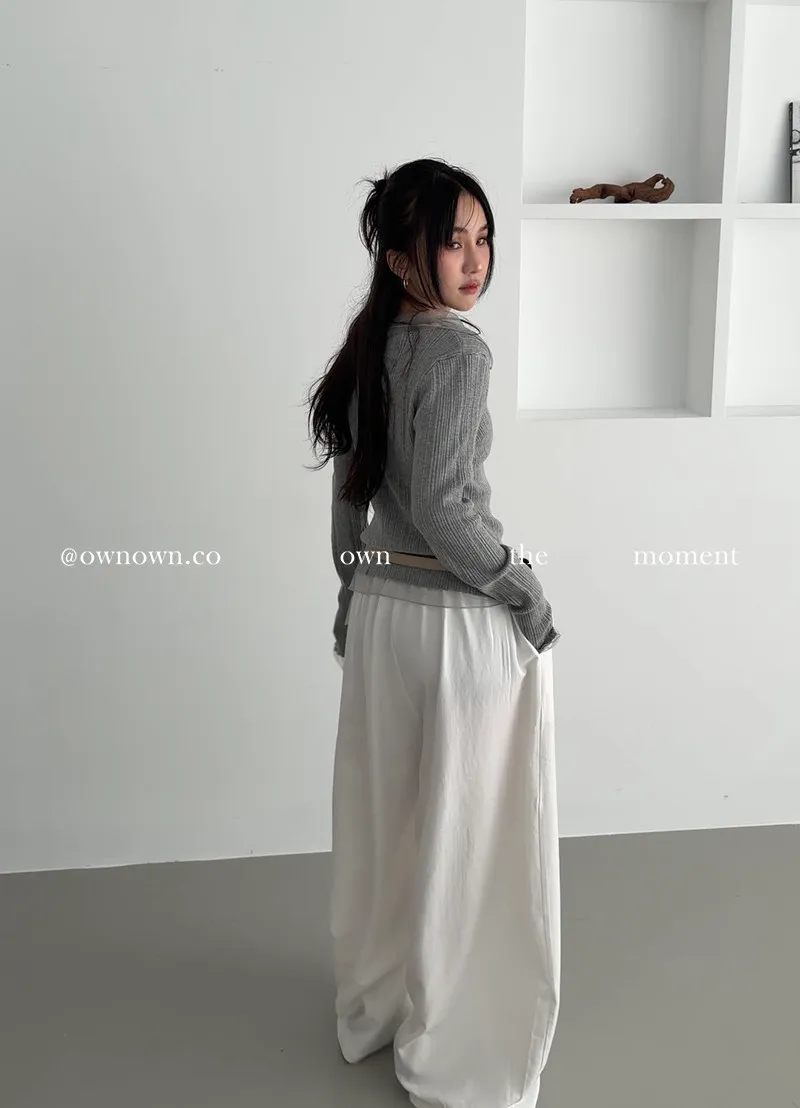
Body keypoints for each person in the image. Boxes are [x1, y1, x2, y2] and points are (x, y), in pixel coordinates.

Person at [304, 157, 561, 1108]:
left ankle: (373, 1008)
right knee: (467, 839)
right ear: (402, 257)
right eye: (452, 241)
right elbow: (450, 512)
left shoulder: (367, 347)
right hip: (454, 625)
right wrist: (523, 589)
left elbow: (350, 504)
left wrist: (351, 598)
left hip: (381, 617)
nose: (475, 259)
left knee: (386, 827)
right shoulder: (459, 353)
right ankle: (453, 1033)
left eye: (484, 237)